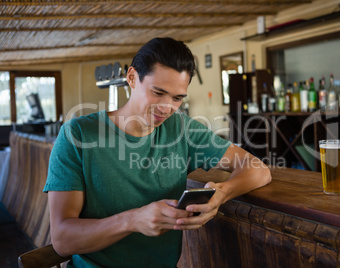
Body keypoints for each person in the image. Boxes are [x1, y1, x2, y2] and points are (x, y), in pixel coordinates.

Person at [44, 37, 271, 267]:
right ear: (132, 78)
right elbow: (62, 239)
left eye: (177, 98)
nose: (166, 107)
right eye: (158, 92)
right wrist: (132, 220)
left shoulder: (183, 129)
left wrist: (222, 193)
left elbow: (258, 170)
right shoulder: (77, 135)